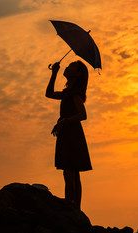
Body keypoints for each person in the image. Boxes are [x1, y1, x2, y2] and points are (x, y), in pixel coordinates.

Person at [45, 60, 92, 210]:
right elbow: (49, 94)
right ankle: (71, 206)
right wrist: (54, 73)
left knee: (72, 172)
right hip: (67, 132)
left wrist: (64, 121)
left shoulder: (75, 94)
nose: (67, 66)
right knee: (68, 172)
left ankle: (73, 208)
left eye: (71, 66)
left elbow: (82, 115)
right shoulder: (67, 93)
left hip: (72, 133)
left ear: (78, 74)